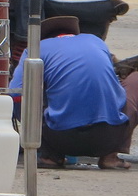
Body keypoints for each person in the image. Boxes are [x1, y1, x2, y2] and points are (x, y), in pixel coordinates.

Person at [9, 15, 131, 170]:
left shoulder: (36, 48)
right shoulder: (96, 42)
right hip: (110, 137)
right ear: (73, 33)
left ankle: (50, 157)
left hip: (63, 139)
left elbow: (15, 92)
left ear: (44, 37)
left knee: (24, 97)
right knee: (118, 91)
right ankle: (110, 158)